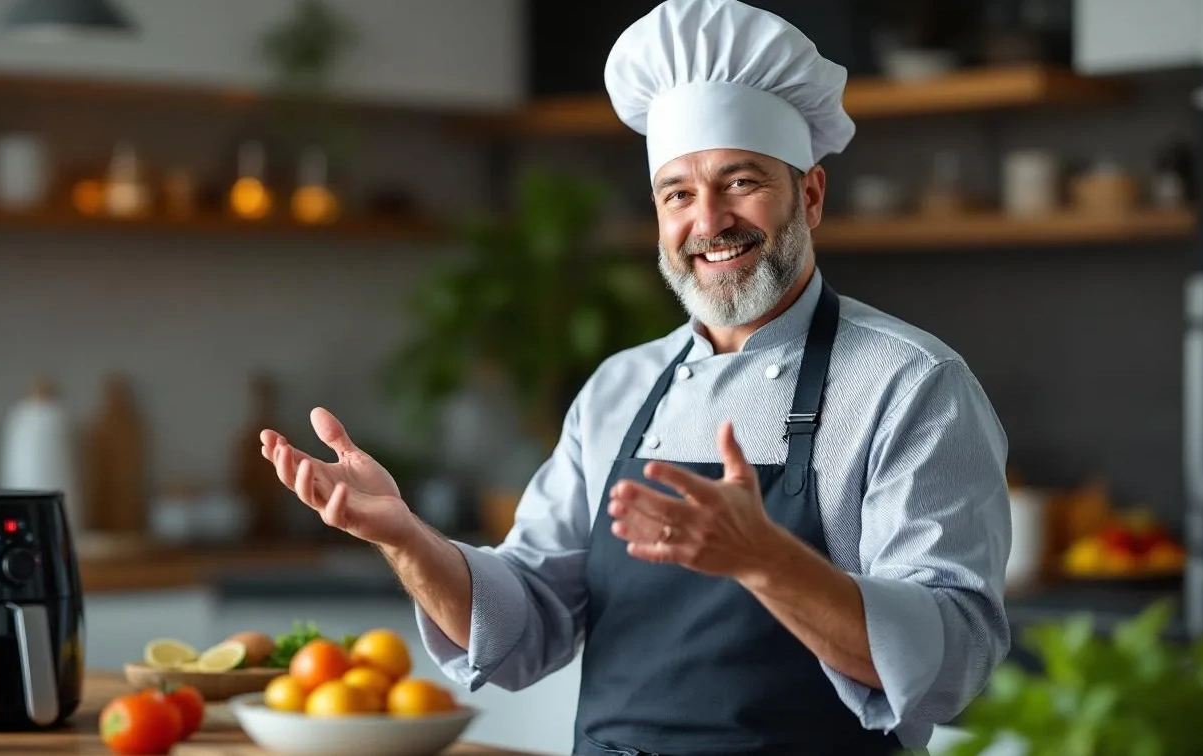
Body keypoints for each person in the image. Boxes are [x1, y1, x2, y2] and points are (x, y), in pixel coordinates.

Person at [259, 0, 1012, 753]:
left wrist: (766, 559)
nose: (709, 220)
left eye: (740, 181)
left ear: (810, 195)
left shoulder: (909, 384)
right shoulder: (620, 388)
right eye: (678, 193)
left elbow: (956, 661)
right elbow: (526, 622)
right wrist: (406, 540)